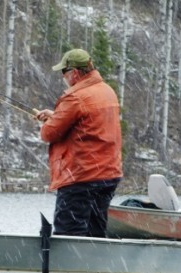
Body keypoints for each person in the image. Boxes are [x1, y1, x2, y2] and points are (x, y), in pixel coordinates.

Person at [35, 49, 123, 237]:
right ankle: (94, 265)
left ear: (74, 73)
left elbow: (49, 133)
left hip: (81, 176)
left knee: (70, 234)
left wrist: (50, 122)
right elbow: (89, 122)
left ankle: (69, 266)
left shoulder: (75, 97)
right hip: (108, 175)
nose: (63, 77)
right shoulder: (107, 91)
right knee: (95, 233)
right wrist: (57, 116)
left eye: (63, 72)